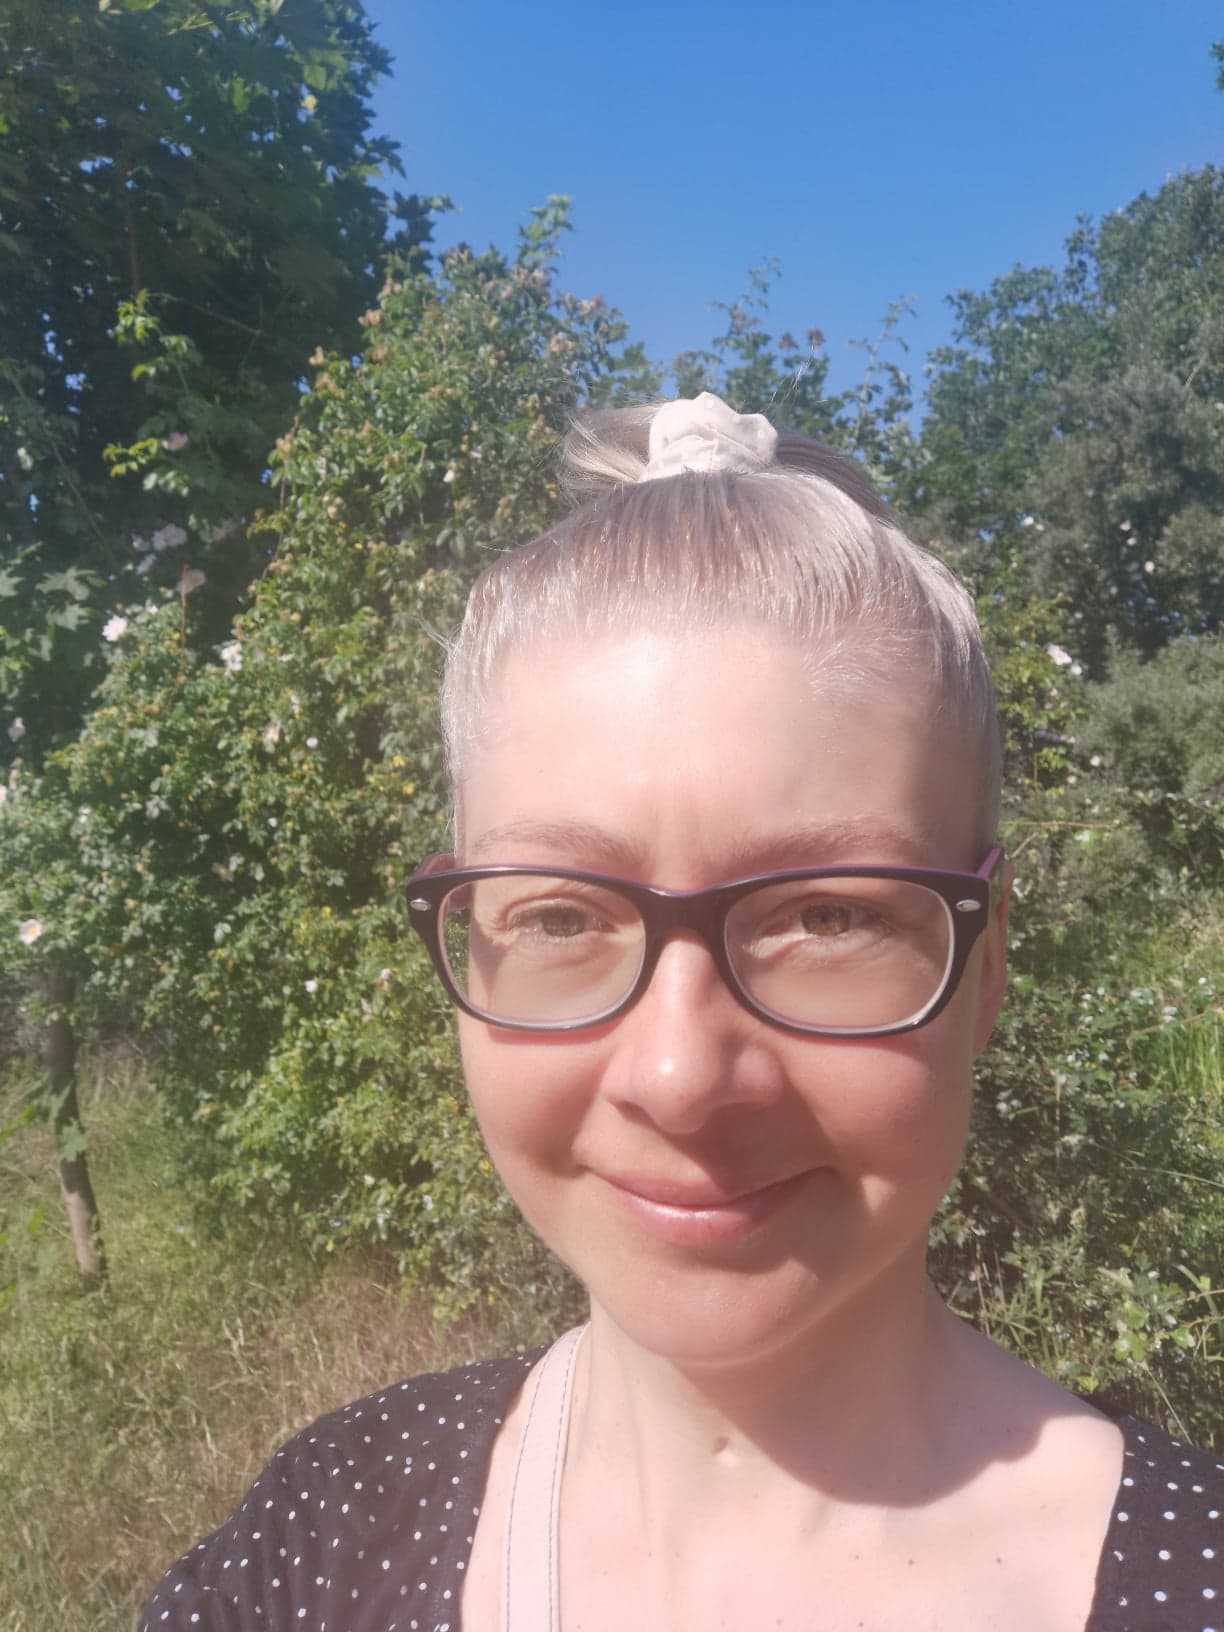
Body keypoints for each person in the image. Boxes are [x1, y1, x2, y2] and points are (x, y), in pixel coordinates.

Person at [141, 393, 1223, 1632]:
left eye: (828, 916)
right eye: (560, 917)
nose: (680, 1075)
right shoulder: (324, 1533)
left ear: (985, 966)